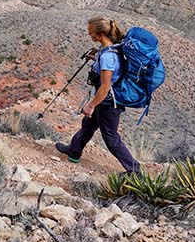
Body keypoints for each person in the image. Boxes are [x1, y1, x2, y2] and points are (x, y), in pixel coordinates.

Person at [54, 17, 141, 174]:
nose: (89, 34)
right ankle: (74, 151)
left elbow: (105, 86)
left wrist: (91, 104)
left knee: (110, 137)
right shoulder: (111, 48)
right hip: (104, 100)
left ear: (100, 35)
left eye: (91, 32)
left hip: (107, 103)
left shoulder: (108, 57)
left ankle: (134, 171)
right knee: (88, 125)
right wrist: (95, 58)